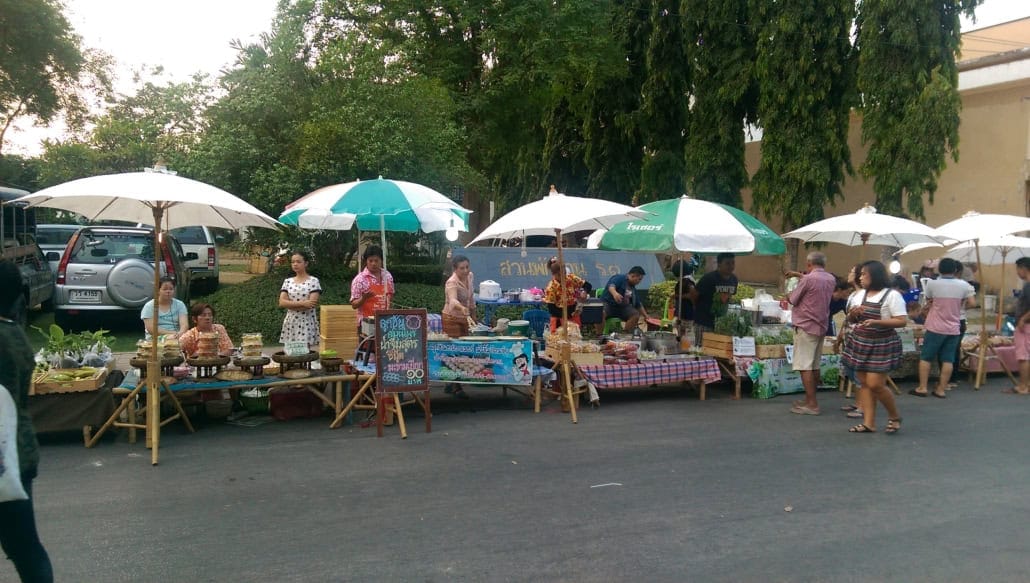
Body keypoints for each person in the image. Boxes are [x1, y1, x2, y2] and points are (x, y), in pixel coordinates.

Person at [0, 259, 54, 582]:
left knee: (26, 550)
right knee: (27, 548)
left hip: (7, 457)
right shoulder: (14, 333)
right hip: (18, 453)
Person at [841, 260, 907, 434]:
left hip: (881, 343)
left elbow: (901, 320)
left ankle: (894, 416)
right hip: (861, 341)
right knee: (864, 383)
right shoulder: (858, 295)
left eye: (864, 274)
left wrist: (877, 321)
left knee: (875, 384)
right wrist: (853, 315)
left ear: (875, 276)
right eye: (860, 274)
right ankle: (869, 423)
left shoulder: (891, 295)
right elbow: (851, 320)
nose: (860, 278)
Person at [910, 258, 975, 398]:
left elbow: (929, 300)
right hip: (954, 327)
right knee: (948, 359)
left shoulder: (933, 284)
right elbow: (971, 302)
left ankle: (922, 387)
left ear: (939, 269)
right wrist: (958, 307)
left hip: (935, 326)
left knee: (926, 357)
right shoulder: (963, 285)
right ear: (956, 270)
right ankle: (941, 389)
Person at [786, 252, 836, 416]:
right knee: (814, 365)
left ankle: (812, 404)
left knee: (804, 365)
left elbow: (793, 299)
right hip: (821, 325)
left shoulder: (808, 280)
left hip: (806, 325)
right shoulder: (830, 279)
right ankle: (809, 400)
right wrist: (799, 275)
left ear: (809, 264)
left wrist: (788, 289)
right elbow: (814, 280)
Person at [836, 264, 866, 420]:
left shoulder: (863, 295)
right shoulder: (854, 294)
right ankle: (857, 402)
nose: (849, 274)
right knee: (851, 370)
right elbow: (847, 317)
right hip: (849, 335)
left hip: (857, 336)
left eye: (852, 272)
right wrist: (841, 334)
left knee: (858, 372)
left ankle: (862, 406)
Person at [278, 251, 321, 348]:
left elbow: (310, 305)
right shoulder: (287, 282)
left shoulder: (313, 281)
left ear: (306, 263)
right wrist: (303, 303)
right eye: (293, 262)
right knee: (290, 353)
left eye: (298, 261)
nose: (295, 264)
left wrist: (290, 304)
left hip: (306, 322)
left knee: (304, 353)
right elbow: (282, 302)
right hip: (290, 322)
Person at [350, 245, 394, 337]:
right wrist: (364, 298)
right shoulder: (360, 279)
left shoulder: (388, 276)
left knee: (384, 349)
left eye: (376, 260)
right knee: (368, 349)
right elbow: (354, 304)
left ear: (382, 261)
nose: (373, 263)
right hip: (366, 323)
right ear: (366, 261)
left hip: (385, 321)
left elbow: (391, 296)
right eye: (370, 261)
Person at [691, 253, 738, 330]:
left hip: (721, 323)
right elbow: (694, 294)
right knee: (701, 342)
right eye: (727, 263)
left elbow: (730, 297)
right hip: (704, 322)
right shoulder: (708, 278)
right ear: (719, 264)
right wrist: (698, 308)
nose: (731, 266)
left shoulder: (734, 279)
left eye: (733, 263)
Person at [1005, 257, 1030, 394]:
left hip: (1025, 326)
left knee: (1023, 356)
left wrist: (1023, 319)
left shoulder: (1028, 285)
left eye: (1017, 269)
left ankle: (1023, 386)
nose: (1017, 273)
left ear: (1023, 268)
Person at [601, 266, 648, 332]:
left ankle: (625, 334)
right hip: (608, 304)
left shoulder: (633, 288)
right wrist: (615, 294)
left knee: (635, 314)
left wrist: (646, 316)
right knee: (600, 313)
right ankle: (599, 335)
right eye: (639, 279)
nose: (639, 281)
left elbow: (638, 304)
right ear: (633, 275)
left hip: (622, 308)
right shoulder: (619, 278)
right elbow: (611, 286)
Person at [543, 258, 586, 329]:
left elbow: (587, 285)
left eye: (565, 273)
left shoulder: (571, 278)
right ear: (554, 274)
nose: (563, 276)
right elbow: (552, 309)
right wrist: (565, 316)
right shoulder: (551, 287)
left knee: (574, 337)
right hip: (559, 317)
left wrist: (584, 292)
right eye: (560, 275)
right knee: (559, 338)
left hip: (573, 315)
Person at [442, 254, 474, 338]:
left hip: (465, 318)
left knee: (467, 344)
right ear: (455, 269)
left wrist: (474, 315)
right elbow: (453, 300)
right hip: (451, 318)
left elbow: (471, 298)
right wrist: (461, 308)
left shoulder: (470, 276)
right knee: (455, 346)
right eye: (462, 268)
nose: (465, 270)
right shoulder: (451, 282)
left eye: (467, 267)